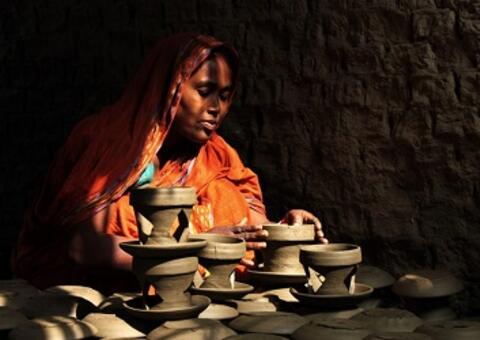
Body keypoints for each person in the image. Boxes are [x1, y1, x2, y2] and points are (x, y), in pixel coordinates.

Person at [13, 33, 328, 294]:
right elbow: (83, 248)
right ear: (170, 88)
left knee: (221, 192)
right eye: (204, 92)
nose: (216, 108)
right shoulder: (110, 142)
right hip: (90, 280)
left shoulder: (215, 153)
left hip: (187, 274)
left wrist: (285, 229)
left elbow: (248, 228)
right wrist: (196, 246)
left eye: (225, 95)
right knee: (132, 208)